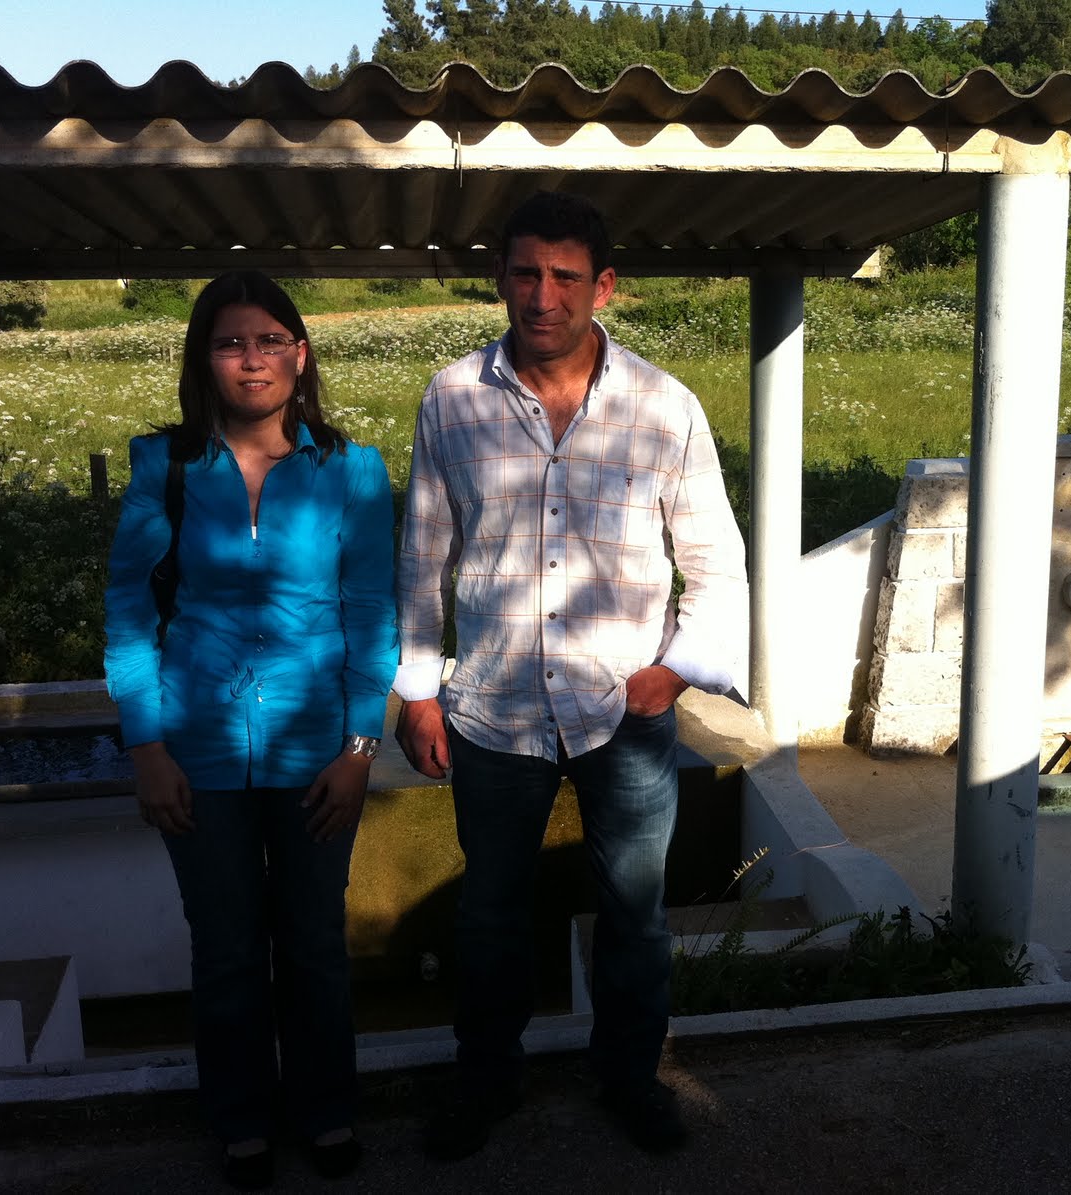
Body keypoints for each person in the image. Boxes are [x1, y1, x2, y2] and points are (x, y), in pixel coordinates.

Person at [395, 191, 748, 1158]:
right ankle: (487, 1080)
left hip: (621, 708)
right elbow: (423, 555)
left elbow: (716, 562)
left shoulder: (664, 407)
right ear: (499, 278)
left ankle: (630, 1076)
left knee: (635, 911)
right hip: (492, 705)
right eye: (524, 273)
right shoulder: (451, 398)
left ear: (605, 286)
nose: (542, 296)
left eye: (564, 276)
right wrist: (417, 688)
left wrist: (672, 672)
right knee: (490, 912)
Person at [104, 271, 397, 1189]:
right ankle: (240, 1121)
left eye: (271, 340)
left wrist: (361, 748)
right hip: (197, 750)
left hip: (319, 752)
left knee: (313, 944)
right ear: (204, 358)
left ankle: (326, 1109)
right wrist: (147, 748)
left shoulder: (352, 469)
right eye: (231, 342)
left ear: (300, 354)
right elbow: (127, 614)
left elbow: (372, 613)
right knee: (227, 948)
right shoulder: (165, 466)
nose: (253, 358)